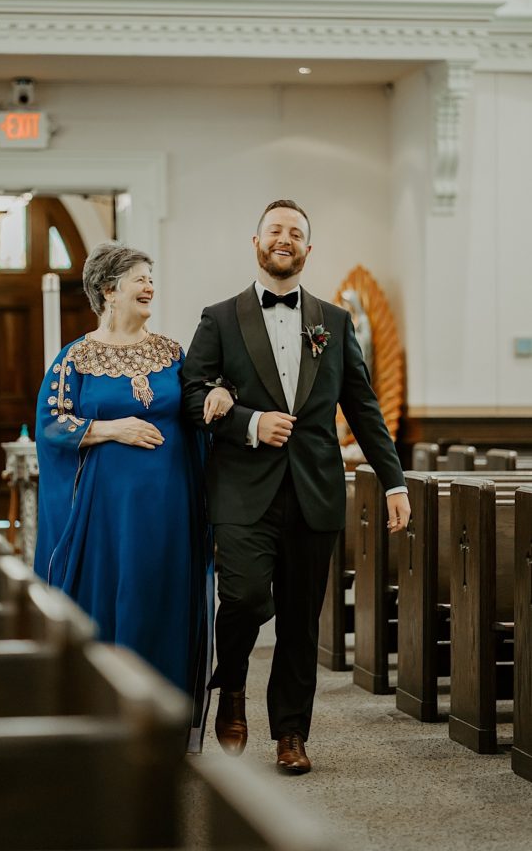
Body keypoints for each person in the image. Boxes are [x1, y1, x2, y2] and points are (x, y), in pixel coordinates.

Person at [182, 200, 410, 774]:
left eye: (296, 233)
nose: (285, 239)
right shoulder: (219, 318)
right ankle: (230, 682)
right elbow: (190, 398)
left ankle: (291, 734)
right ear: (255, 241)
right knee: (243, 597)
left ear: (308, 249)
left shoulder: (333, 322)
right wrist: (248, 422)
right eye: (275, 230)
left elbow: (362, 405)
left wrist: (394, 482)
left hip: (315, 491)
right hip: (241, 489)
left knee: (300, 622)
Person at [34, 242, 232, 751]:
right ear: (108, 290)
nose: (150, 287)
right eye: (140, 279)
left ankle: (164, 722)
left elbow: (194, 401)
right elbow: (53, 426)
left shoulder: (171, 353)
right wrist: (111, 428)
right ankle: (107, 717)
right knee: (113, 596)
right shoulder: (74, 358)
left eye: (151, 278)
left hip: (170, 505)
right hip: (105, 511)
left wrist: (218, 393)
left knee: (163, 597)